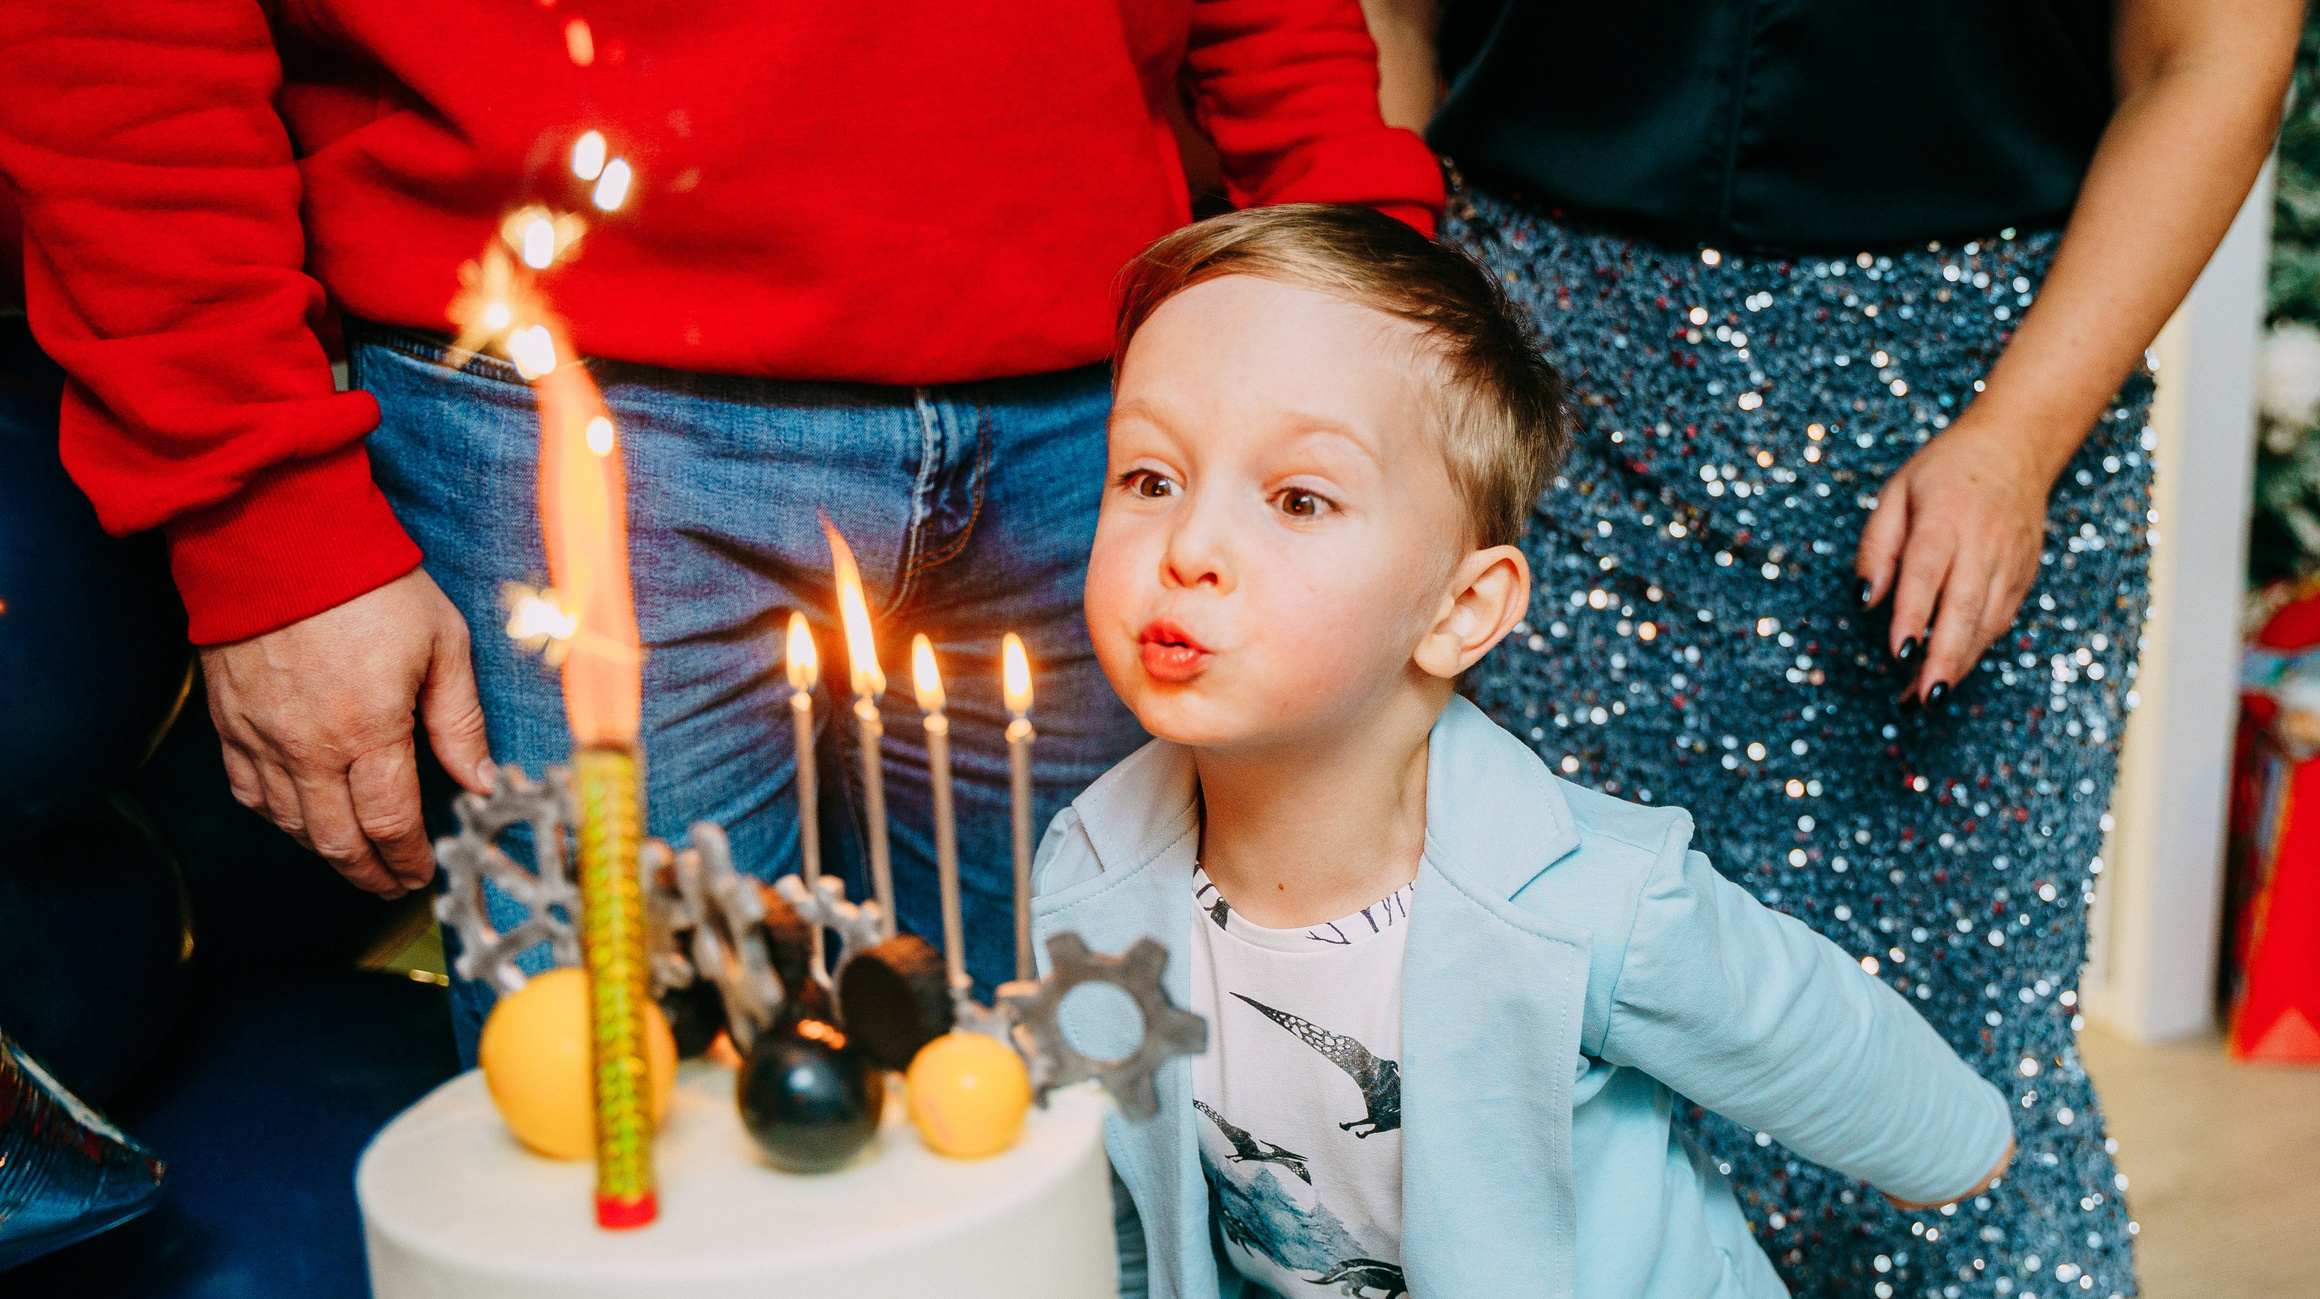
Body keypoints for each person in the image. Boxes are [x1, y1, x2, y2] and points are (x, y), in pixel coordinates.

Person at [1360, 0, 2300, 1299]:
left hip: (1978, 371)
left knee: (1975, 1033)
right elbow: (1390, 23)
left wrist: (2021, 436)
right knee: (1572, 1029)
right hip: (1547, 368)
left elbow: (2214, 53)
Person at [0, 0, 1439, 1049]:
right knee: (642, 1160)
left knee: (1098, 1129)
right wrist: (258, 511)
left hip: (1101, 401)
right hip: (561, 418)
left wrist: (1368, 288)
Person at [1035, 204, 2014, 1299]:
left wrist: (1951, 1143)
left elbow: (1788, 1014)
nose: (1191, 549)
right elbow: (1122, 1165)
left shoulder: (1583, 898)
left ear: (1461, 608)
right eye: (1150, 478)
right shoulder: (1093, 883)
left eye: (1298, 498)